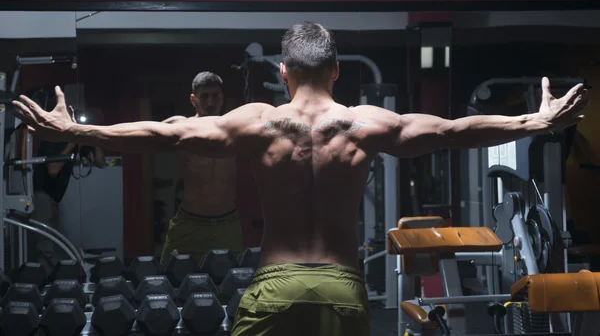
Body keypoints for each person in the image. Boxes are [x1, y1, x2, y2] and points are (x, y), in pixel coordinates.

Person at [13, 22, 588, 336]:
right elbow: (450, 130)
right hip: (340, 286)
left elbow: (166, 134)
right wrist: (532, 120)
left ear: (282, 73)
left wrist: (80, 132)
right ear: (336, 70)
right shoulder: (363, 123)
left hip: (275, 286)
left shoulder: (260, 122)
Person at [159, 71, 242, 265]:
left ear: (222, 98)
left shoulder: (236, 126)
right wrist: (95, 142)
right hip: (189, 223)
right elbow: (138, 135)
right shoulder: (180, 125)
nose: (210, 102)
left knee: (232, 285)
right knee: (170, 282)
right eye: (204, 96)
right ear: (193, 99)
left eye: (216, 96)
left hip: (227, 224)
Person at [32, 132, 105, 271]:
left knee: (52, 242)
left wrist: (96, 140)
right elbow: (53, 170)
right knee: (45, 247)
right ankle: (46, 283)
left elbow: (100, 163)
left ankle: (51, 281)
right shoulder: (52, 140)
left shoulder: (76, 144)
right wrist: (71, 144)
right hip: (42, 195)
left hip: (54, 199)